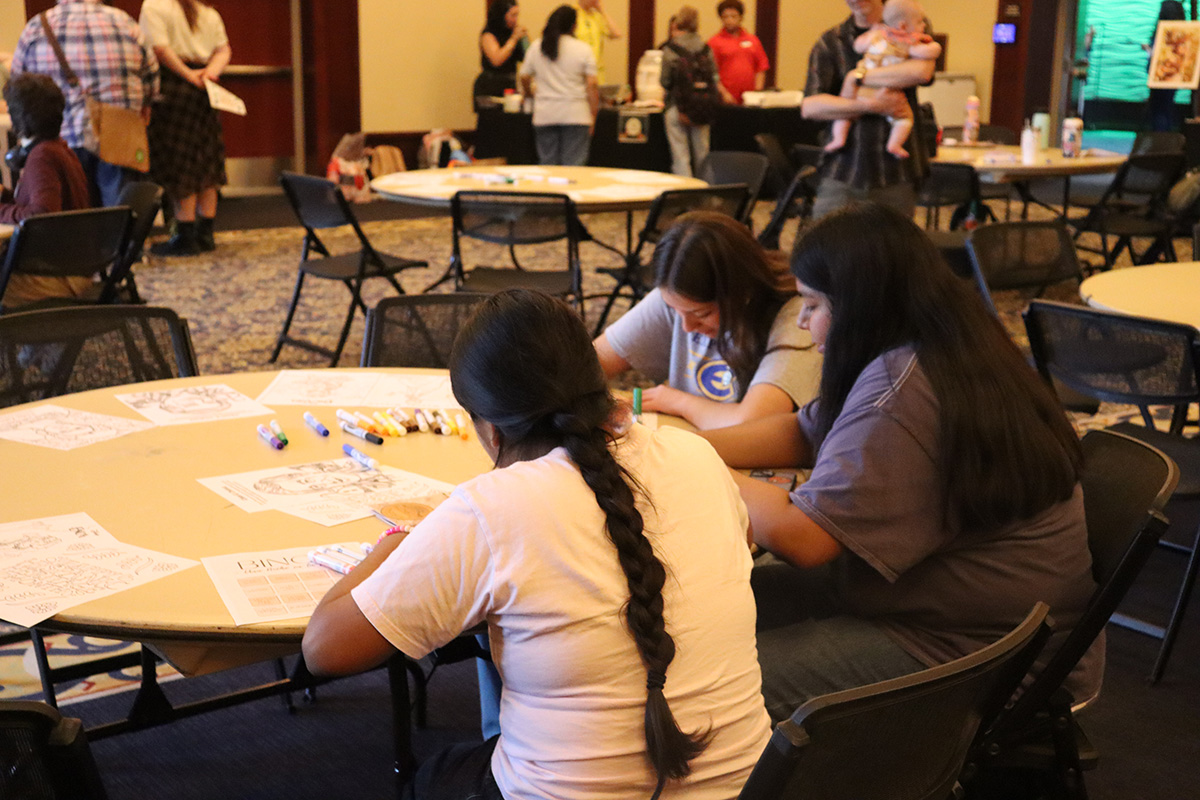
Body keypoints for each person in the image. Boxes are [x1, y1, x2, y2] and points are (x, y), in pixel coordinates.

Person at [303, 288, 771, 800]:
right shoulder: (696, 456)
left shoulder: (490, 509)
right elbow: (741, 542)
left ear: (491, 431)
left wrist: (392, 546)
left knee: (435, 777)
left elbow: (324, 650)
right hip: (749, 788)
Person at [700, 203, 1102, 723]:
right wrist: (672, 443)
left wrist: (689, 460)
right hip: (947, 608)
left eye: (812, 304)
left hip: (974, 652)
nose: (802, 321)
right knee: (711, 613)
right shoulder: (939, 342)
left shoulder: (904, 390)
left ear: (860, 305)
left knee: (705, 688)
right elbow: (804, 428)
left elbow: (804, 540)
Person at [595, 212, 819, 430]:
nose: (687, 327)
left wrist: (677, 401)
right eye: (674, 311)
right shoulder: (678, 296)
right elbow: (588, 363)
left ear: (744, 293)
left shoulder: (797, 317)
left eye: (702, 314)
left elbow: (753, 424)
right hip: (700, 444)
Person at [10, 0, 158, 208]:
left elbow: (18, 89)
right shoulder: (126, 24)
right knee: (120, 222)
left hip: (61, 138)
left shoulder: (36, 27)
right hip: (120, 135)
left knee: (74, 220)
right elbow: (152, 80)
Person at [803, 0, 935, 219]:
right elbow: (810, 107)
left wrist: (857, 77)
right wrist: (871, 105)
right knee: (829, 247)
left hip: (896, 171)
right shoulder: (831, 41)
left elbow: (922, 72)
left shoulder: (909, 22)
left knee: (893, 249)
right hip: (843, 169)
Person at [139, 0, 231, 256]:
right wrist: (209, 74)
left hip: (173, 88)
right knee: (206, 156)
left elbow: (159, 50)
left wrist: (188, 76)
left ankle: (185, 234)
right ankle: (206, 232)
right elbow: (224, 50)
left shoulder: (154, 6)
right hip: (205, 89)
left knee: (180, 159)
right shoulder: (208, 12)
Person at [0, 73, 93, 308]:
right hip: (73, 269)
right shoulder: (59, 148)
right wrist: (6, 197)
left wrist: (1, 210)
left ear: (19, 117)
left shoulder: (41, 156)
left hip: (57, 278)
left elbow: (41, 215)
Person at [825, 0, 940, 159]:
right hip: (887, 92)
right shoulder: (907, 42)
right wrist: (934, 48)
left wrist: (857, 76)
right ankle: (895, 144)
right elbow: (926, 53)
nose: (922, 26)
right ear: (903, 26)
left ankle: (838, 137)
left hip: (862, 91)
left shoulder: (878, 35)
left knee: (845, 115)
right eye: (920, 23)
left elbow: (922, 73)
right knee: (904, 119)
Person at [520, 6, 599, 166]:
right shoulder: (583, 49)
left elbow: (524, 76)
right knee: (574, 168)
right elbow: (592, 84)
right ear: (573, 26)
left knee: (548, 165)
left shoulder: (537, 47)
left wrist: (529, 93)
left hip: (545, 114)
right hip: (576, 114)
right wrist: (593, 114)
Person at [660, 6, 730, 177]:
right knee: (702, 152)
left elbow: (665, 81)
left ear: (678, 23)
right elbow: (714, 77)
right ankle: (706, 192)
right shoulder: (706, 49)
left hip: (677, 107)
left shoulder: (670, 50)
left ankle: (685, 194)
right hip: (703, 106)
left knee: (680, 155)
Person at [707, 0, 769, 105]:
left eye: (733, 16)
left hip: (750, 99)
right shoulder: (714, 42)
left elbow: (761, 67)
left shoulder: (753, 40)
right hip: (726, 99)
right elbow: (711, 73)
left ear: (741, 17)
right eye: (725, 17)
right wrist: (724, 94)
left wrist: (757, 92)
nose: (729, 20)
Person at [475, 0, 529, 109]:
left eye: (517, 15)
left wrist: (524, 40)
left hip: (510, 84)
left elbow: (527, 58)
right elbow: (496, 60)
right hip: (490, 85)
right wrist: (513, 39)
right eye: (512, 15)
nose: (515, 19)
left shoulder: (513, 32)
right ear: (501, 15)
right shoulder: (488, 34)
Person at [1145, 1, 1186, 132]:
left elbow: (1156, 55)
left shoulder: (1161, 31)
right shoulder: (1182, 32)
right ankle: (1165, 140)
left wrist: (1148, 50)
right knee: (1166, 107)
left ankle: (1159, 141)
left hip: (1160, 73)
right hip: (1175, 72)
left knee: (1158, 109)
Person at [572, 0, 621, 85]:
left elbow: (616, 34)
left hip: (597, 73)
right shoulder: (572, 14)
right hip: (578, 72)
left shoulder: (597, 16)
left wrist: (602, 11)